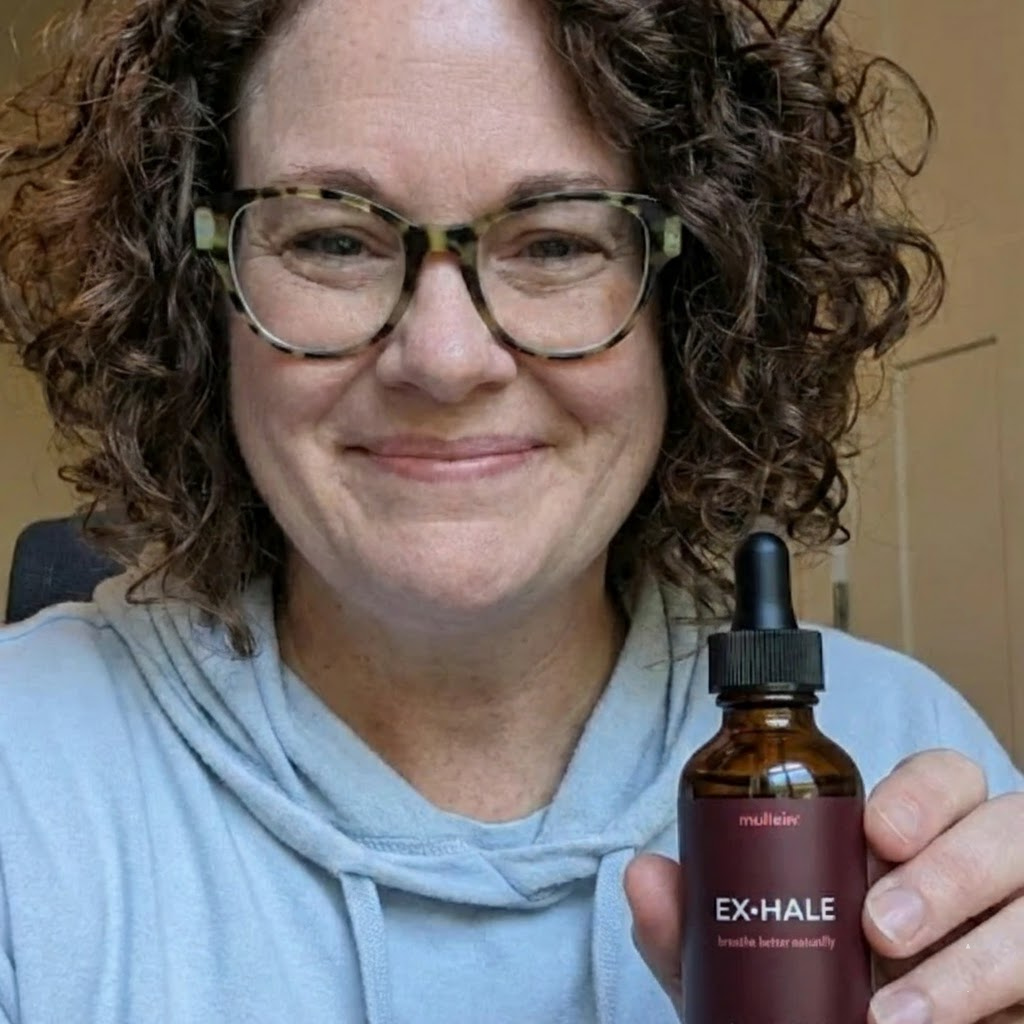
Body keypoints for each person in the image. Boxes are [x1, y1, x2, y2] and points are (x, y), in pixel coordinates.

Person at [0, 0, 1020, 1020]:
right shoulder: (24, 778)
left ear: (693, 300)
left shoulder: (892, 751)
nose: (444, 361)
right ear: (198, 293)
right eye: (332, 238)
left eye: (558, 243)